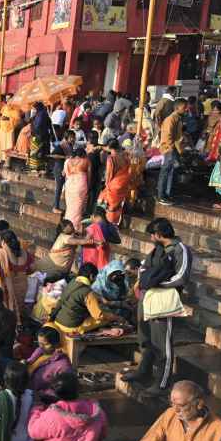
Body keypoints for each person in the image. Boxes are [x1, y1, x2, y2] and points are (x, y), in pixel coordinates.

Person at [123, 218, 192, 393]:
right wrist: (144, 281)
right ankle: (143, 371)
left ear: (159, 235)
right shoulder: (157, 249)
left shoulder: (180, 250)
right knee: (145, 338)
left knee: (162, 345)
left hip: (164, 300)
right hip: (148, 298)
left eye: (152, 235)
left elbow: (181, 277)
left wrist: (157, 283)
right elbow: (144, 267)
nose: (151, 238)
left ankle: (162, 382)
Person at [50, 262, 121, 337]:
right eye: (95, 278)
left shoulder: (73, 281)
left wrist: (100, 298)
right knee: (105, 318)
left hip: (58, 321)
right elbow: (98, 316)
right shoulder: (87, 292)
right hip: (71, 327)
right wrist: (115, 317)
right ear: (91, 276)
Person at [0, 230, 33, 317]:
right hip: (22, 287)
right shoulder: (25, 253)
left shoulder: (0, 253)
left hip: (7, 288)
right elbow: (33, 268)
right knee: (18, 309)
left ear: (3, 242)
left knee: (6, 310)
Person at [26, 326, 73, 398]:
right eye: (39, 343)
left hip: (44, 400)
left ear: (56, 344)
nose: (41, 346)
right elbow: (30, 361)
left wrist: (42, 394)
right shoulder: (40, 351)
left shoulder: (63, 366)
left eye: (45, 344)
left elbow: (63, 389)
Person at [157, 99, 187, 205]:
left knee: (170, 172)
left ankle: (166, 194)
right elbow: (167, 136)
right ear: (177, 108)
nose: (185, 110)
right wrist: (170, 148)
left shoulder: (178, 118)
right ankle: (161, 196)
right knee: (165, 172)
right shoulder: (171, 119)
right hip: (169, 149)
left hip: (174, 148)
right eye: (184, 108)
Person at [97, 139, 133, 224]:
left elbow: (109, 174)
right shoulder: (125, 155)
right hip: (124, 182)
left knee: (110, 205)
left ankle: (110, 223)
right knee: (119, 204)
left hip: (114, 184)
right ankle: (116, 222)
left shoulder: (111, 158)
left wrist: (106, 185)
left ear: (109, 147)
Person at [62, 147, 90, 231]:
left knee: (70, 207)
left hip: (69, 186)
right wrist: (88, 189)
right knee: (78, 209)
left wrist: (64, 189)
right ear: (83, 154)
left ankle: (67, 226)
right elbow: (89, 177)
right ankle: (75, 228)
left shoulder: (68, 161)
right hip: (80, 185)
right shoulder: (86, 161)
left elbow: (65, 175)